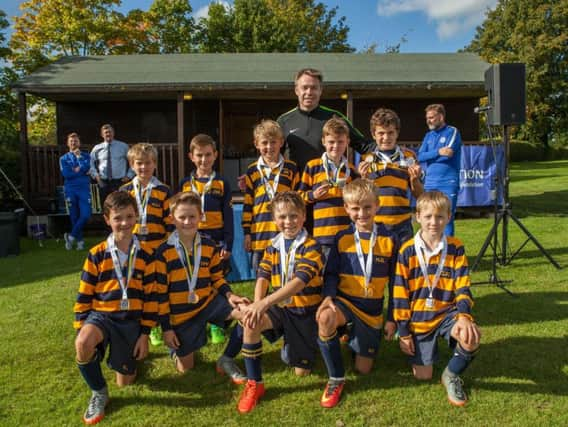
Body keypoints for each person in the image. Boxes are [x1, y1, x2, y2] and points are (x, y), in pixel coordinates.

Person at [73, 191, 157, 425]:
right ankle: (99, 392)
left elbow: (151, 297)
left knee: (127, 381)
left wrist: (144, 334)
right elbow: (84, 294)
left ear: (136, 217)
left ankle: (133, 356)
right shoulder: (96, 254)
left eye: (129, 217)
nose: (124, 223)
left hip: (130, 320)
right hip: (102, 316)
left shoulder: (147, 254)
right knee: (82, 344)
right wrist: (82, 327)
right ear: (107, 219)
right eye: (118, 218)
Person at [237, 192, 324, 414]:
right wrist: (257, 305)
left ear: (304, 216)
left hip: (304, 310)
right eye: (282, 217)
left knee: (301, 372)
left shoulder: (313, 246)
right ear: (274, 219)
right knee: (250, 322)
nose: (288, 222)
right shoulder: (272, 245)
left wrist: (263, 303)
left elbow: (298, 283)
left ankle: (302, 343)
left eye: (294, 216)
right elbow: (262, 276)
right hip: (280, 307)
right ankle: (254, 384)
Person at [315, 178, 398, 408]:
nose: (362, 213)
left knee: (363, 369)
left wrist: (392, 317)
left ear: (377, 206)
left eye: (367, 207)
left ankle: (351, 337)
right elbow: (330, 274)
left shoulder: (390, 239)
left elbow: (396, 283)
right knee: (325, 317)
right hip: (345, 303)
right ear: (346, 208)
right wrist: (328, 297)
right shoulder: (341, 238)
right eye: (355, 208)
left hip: (371, 312)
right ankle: (336, 378)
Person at [393, 191, 480, 407]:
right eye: (428, 216)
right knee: (423, 376)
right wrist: (403, 332)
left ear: (448, 217)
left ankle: (451, 375)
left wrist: (464, 316)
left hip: (446, 314)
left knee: (471, 336)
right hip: (419, 320)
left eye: (440, 217)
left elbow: (463, 286)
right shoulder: (406, 251)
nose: (434, 222)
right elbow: (399, 294)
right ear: (418, 217)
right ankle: (420, 349)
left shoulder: (456, 247)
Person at [154, 192, 249, 374]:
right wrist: (166, 329)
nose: (188, 222)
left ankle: (227, 358)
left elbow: (217, 277)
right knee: (187, 369)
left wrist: (230, 295)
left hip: (208, 303)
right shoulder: (163, 252)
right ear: (172, 219)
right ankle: (176, 351)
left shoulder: (209, 245)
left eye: (192, 217)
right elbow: (161, 295)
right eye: (182, 217)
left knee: (247, 312)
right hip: (181, 315)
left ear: (201, 217)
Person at [180, 134, 235, 344]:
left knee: (219, 283)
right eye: (199, 156)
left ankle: (218, 325)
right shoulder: (185, 183)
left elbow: (228, 217)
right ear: (191, 157)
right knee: (195, 282)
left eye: (208, 155)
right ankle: (196, 322)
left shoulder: (222, 182)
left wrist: (228, 244)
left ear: (216, 155)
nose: (204, 160)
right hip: (192, 244)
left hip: (217, 244)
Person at [120, 143, 173, 347]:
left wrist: (166, 249)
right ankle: (142, 327)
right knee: (137, 289)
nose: (144, 167)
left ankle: (158, 326)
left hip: (157, 250)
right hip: (134, 251)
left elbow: (169, 223)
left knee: (158, 290)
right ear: (132, 165)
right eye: (139, 163)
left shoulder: (163, 190)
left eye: (148, 163)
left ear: (155, 164)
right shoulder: (125, 191)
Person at [277, 68, 375, 173]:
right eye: (304, 88)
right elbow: (272, 156)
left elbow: (365, 146)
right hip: (295, 187)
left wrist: (378, 157)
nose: (309, 92)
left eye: (314, 88)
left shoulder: (335, 117)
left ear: (320, 90)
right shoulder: (283, 121)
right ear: (296, 90)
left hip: (328, 185)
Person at [242, 120, 300, 274]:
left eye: (273, 142)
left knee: (284, 274)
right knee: (260, 276)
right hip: (259, 234)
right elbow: (247, 204)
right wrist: (247, 233)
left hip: (285, 232)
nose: (269, 147)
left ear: (281, 142)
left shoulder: (291, 168)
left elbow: (298, 202)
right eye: (264, 143)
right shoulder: (252, 171)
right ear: (256, 144)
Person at [358, 108, 423, 243]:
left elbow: (420, 195)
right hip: (376, 223)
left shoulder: (409, 157)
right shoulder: (366, 159)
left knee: (403, 263)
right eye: (381, 133)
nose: (386, 138)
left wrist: (415, 179)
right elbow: (362, 197)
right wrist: (363, 179)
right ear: (373, 134)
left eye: (390, 133)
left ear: (397, 133)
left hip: (403, 224)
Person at [298, 117, 357, 262]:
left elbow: (358, 200)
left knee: (345, 277)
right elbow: (299, 198)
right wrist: (313, 195)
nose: (336, 146)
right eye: (331, 142)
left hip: (347, 233)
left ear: (347, 142)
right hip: (322, 234)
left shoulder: (351, 170)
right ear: (323, 141)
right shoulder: (313, 166)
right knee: (325, 275)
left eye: (340, 142)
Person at [418, 104, 462, 236]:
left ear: (441, 117)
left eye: (431, 117)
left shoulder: (452, 131)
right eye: (427, 118)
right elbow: (420, 156)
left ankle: (448, 253)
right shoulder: (428, 136)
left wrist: (430, 156)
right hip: (430, 183)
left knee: (446, 219)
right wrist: (438, 152)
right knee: (428, 219)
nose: (428, 121)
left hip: (447, 183)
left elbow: (448, 154)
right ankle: (432, 251)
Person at [59, 132, 92, 251]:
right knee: (74, 216)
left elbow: (87, 167)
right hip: (70, 189)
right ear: (68, 143)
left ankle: (71, 237)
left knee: (86, 215)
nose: (73, 143)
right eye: (71, 141)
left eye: (76, 141)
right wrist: (80, 170)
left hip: (84, 189)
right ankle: (80, 242)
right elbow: (67, 174)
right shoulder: (63, 158)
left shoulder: (86, 155)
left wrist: (79, 159)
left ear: (79, 143)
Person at [90, 124, 133, 204]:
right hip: (103, 182)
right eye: (106, 132)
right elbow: (90, 164)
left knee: (120, 204)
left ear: (113, 133)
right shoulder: (97, 148)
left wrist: (129, 176)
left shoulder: (123, 146)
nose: (108, 134)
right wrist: (96, 176)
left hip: (120, 181)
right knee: (105, 205)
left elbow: (132, 161)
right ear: (102, 135)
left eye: (110, 132)